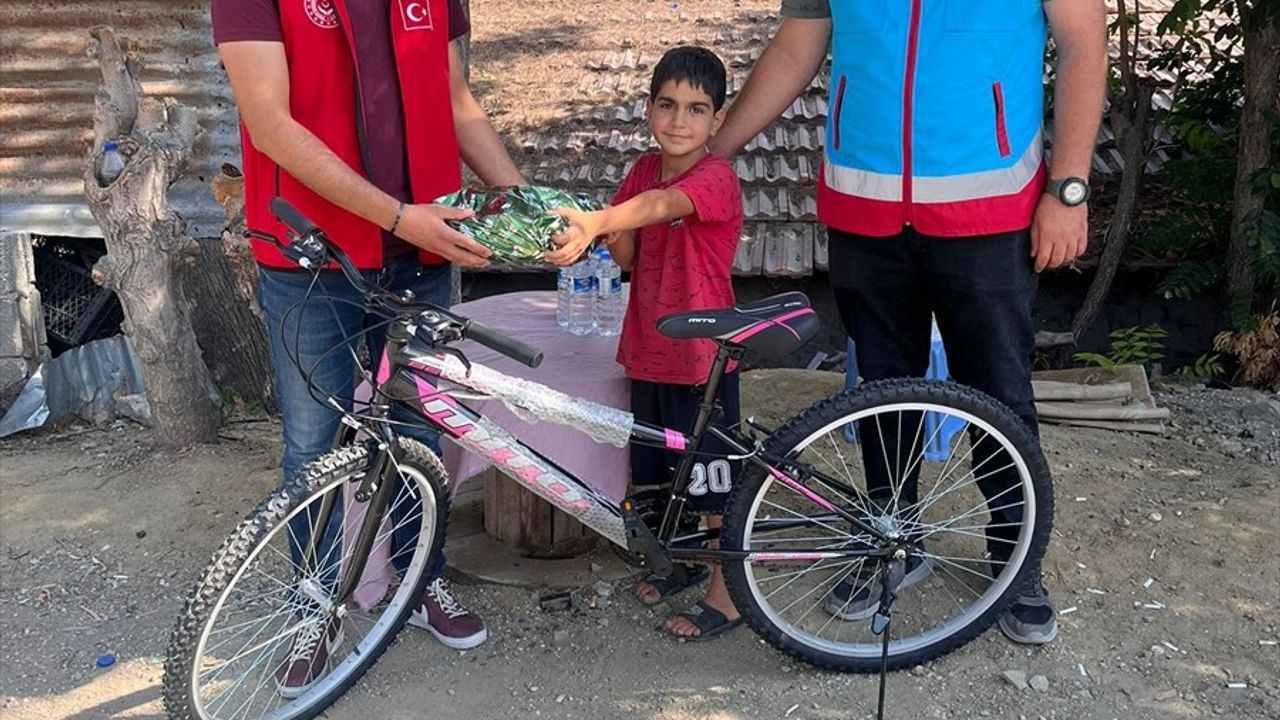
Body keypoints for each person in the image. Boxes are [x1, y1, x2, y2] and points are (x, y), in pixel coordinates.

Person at [708, 1, 1107, 645]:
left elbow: (1084, 44)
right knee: (881, 392)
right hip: (865, 206)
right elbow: (797, 46)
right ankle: (890, 543)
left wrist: (1069, 187)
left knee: (998, 393)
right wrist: (716, 151)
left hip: (991, 206)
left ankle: (1016, 556)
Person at [211, 0, 524, 696]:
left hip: (419, 251)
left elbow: (453, 98)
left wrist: (519, 198)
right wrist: (393, 212)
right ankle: (313, 608)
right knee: (312, 440)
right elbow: (268, 123)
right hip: (310, 257)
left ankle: (419, 582)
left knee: (421, 424)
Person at [548, 46, 745, 641]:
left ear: (716, 120)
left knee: (713, 482)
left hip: (701, 357)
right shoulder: (639, 171)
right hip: (648, 347)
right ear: (648, 109)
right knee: (660, 475)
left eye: (696, 109)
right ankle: (683, 561)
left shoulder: (716, 177)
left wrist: (607, 220)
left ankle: (728, 592)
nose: (679, 121)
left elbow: (665, 206)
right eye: (667, 105)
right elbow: (628, 252)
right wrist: (604, 231)